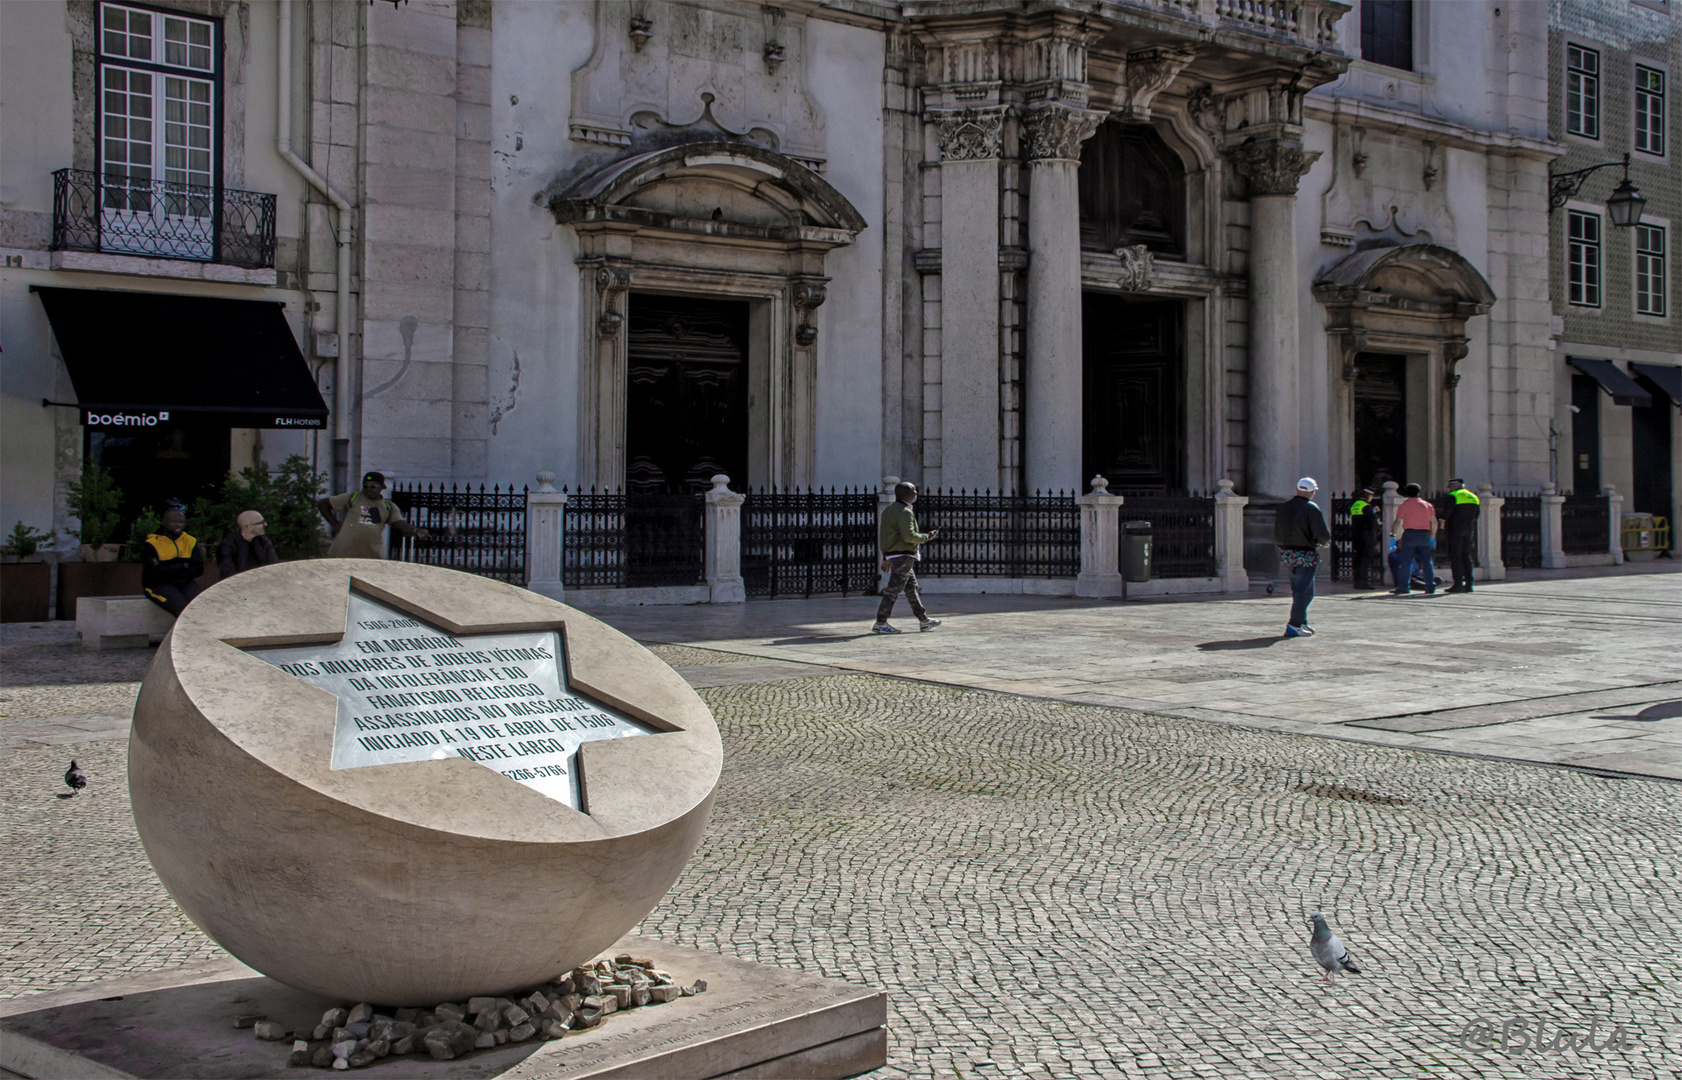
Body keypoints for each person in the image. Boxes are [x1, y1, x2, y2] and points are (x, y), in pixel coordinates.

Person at [873, 481, 941, 634]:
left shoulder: (889, 510)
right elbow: (908, 536)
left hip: (895, 554)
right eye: (914, 491)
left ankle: (924, 620)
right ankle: (881, 622)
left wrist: (885, 556)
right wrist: (927, 536)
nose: (916, 494)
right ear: (906, 494)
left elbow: (885, 536)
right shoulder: (904, 511)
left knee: (911, 588)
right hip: (903, 555)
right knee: (893, 589)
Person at [317, 472, 429, 559]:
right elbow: (323, 504)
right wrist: (335, 524)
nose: (369, 489)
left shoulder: (388, 506)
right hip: (342, 553)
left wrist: (415, 530)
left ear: (381, 487)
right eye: (365, 486)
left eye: (373, 486)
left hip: (369, 555)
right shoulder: (353, 498)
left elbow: (399, 524)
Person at [1274, 477, 1331, 638]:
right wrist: (1324, 542)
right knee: (1305, 591)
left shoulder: (1283, 507)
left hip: (1287, 553)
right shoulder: (1311, 508)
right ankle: (1294, 624)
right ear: (1312, 491)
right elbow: (1321, 533)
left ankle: (1301, 621)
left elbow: (1277, 531)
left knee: (1298, 588)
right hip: (1305, 553)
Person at [141, 506, 204, 616]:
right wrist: (182, 566)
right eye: (174, 522)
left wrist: (168, 568)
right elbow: (153, 573)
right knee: (182, 609)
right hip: (158, 585)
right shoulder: (152, 544)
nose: (179, 525)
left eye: (182, 522)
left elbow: (198, 569)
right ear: (164, 523)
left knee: (200, 606)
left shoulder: (190, 541)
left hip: (185, 582)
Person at [1389, 483, 1438, 595]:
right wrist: (1432, 537)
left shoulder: (1404, 505)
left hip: (1410, 534)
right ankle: (1430, 586)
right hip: (1424, 535)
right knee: (1427, 562)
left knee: (1406, 562)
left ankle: (1403, 587)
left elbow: (1398, 521)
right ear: (1418, 492)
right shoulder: (1427, 505)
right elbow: (1434, 522)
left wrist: (1393, 535)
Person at [1443, 479, 1480, 593]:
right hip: (1469, 529)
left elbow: (1446, 514)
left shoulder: (1453, 496)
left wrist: (1442, 523)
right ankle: (1469, 584)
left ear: (1455, 485)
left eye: (1450, 486)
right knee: (1466, 556)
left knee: (1456, 556)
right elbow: (1477, 515)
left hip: (1455, 529)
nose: (1449, 489)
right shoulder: (1473, 497)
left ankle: (1458, 584)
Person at [217, 510, 280, 578]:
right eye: (261, 523)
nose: (265, 524)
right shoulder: (227, 545)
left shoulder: (263, 541)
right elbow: (228, 572)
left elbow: (273, 565)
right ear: (249, 527)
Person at [1348, 487, 1380, 589]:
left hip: (1356, 535)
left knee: (1357, 559)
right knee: (1365, 560)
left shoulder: (1355, 505)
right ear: (1368, 496)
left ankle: (1357, 582)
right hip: (1367, 536)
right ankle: (1364, 582)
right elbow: (1372, 521)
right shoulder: (1366, 506)